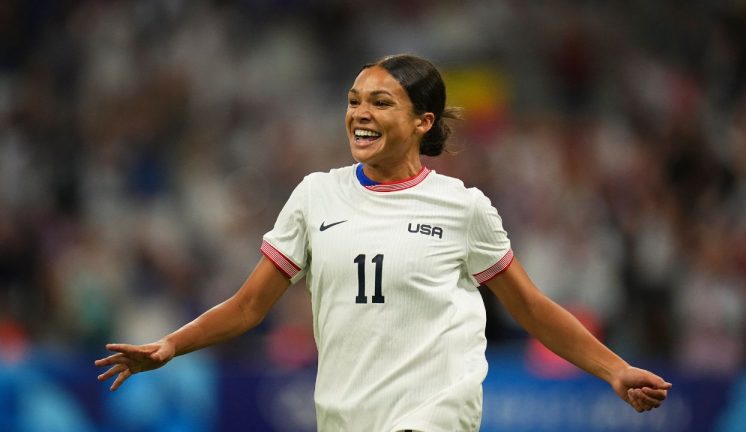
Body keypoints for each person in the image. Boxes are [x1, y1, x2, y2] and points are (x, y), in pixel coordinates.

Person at [95, 54, 672, 431]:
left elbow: (532, 308)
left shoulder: (463, 208)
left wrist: (614, 370)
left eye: (379, 102)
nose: (359, 115)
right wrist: (170, 346)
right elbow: (249, 306)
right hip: (346, 418)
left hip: (436, 417)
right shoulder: (315, 197)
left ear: (424, 121)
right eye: (353, 101)